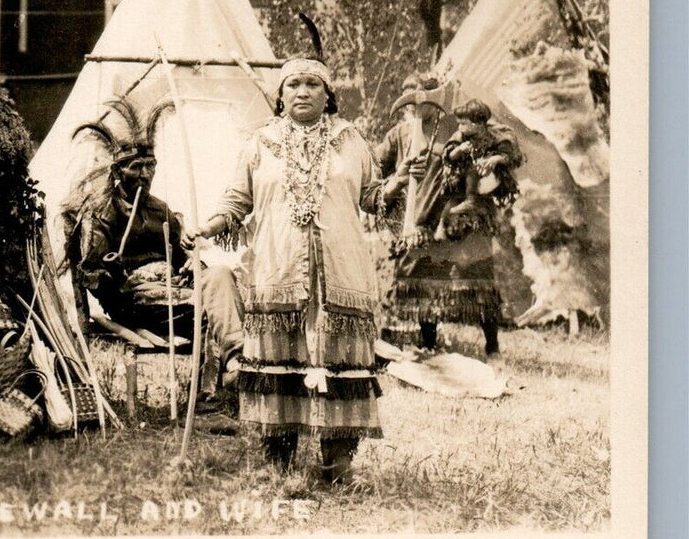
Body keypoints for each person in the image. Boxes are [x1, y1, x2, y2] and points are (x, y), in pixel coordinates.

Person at [186, 58, 386, 484]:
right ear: (280, 94)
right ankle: (280, 464)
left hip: (340, 275)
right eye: (293, 83)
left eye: (312, 84)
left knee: (341, 365)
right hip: (278, 271)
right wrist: (209, 225)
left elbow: (374, 197)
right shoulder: (262, 143)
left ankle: (338, 467)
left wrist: (400, 185)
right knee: (281, 363)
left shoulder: (351, 141)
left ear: (328, 93)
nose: (302, 91)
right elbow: (236, 200)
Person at [64, 96, 245, 411]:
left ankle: (236, 363)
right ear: (119, 171)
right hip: (133, 299)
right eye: (137, 167)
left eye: (151, 166)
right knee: (206, 307)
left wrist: (191, 264)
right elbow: (91, 278)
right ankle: (205, 402)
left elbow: (182, 259)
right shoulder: (102, 211)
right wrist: (113, 269)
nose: (146, 174)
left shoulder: (160, 209)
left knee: (221, 275)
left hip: (174, 290)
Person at [387, 95, 522, 355]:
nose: (461, 127)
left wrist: (491, 161)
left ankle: (492, 346)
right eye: (459, 123)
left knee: (479, 277)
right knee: (425, 274)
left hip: (470, 214)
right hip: (436, 210)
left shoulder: (491, 134)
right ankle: (428, 344)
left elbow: (508, 152)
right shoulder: (429, 136)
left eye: (467, 123)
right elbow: (448, 156)